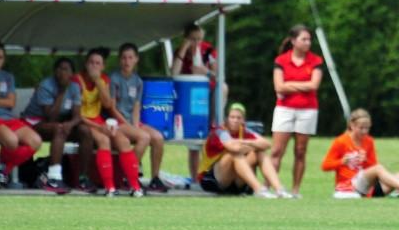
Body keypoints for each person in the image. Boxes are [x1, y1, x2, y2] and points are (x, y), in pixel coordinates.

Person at [72, 48, 145, 197]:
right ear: (86, 64)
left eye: (98, 63)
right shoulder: (76, 80)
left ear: (103, 66)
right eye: (91, 62)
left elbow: (107, 104)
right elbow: (77, 114)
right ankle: (109, 186)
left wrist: (98, 81)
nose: (94, 66)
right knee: (104, 139)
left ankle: (134, 186)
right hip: (82, 120)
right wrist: (100, 127)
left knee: (123, 141)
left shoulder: (104, 79)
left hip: (98, 119)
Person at [22, 57, 95, 193]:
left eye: (66, 69)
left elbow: (77, 115)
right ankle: (54, 178)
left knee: (84, 131)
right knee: (59, 129)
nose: (62, 72)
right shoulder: (46, 86)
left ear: (72, 74)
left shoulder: (74, 87)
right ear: (54, 72)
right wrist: (62, 92)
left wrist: (70, 124)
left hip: (60, 123)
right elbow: (51, 116)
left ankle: (82, 178)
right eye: (59, 69)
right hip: (35, 121)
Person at [321, 108, 399, 200]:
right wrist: (342, 161)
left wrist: (365, 160)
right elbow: (325, 166)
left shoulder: (369, 141)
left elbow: (373, 168)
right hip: (349, 185)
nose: (364, 131)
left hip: (368, 187)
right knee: (379, 168)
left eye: (367, 128)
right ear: (352, 125)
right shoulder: (341, 141)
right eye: (361, 128)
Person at [269, 24, 323, 199]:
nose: (308, 42)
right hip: (284, 109)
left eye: (309, 39)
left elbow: (314, 85)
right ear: (293, 41)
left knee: (300, 151)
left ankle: (295, 190)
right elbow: (278, 86)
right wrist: (301, 86)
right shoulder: (281, 61)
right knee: (277, 151)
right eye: (304, 39)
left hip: (307, 110)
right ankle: (271, 187)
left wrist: (288, 86)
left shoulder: (315, 61)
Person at [196, 102, 291, 198]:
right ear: (227, 119)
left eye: (238, 118)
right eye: (232, 117)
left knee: (260, 153)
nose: (235, 120)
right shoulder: (219, 131)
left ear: (243, 120)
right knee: (234, 154)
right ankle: (259, 189)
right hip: (212, 180)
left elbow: (266, 144)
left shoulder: (244, 131)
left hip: (235, 181)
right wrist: (253, 145)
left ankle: (279, 190)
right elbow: (233, 148)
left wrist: (245, 142)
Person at [0, 41, 43, 190]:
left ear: (4, 59)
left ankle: (3, 168)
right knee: (12, 141)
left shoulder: (9, 77)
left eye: (0, 57)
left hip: (8, 118)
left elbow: (11, 102)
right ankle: (1, 171)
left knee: (36, 141)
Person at [110, 43, 169, 192]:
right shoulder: (114, 79)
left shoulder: (138, 81)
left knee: (158, 137)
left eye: (130, 58)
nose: (127, 61)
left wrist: (135, 127)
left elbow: (136, 106)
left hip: (132, 121)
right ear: (119, 60)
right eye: (124, 58)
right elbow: (111, 108)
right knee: (144, 137)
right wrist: (130, 127)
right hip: (118, 122)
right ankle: (129, 176)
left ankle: (155, 178)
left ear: (136, 59)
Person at [172, 22, 223, 180]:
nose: (197, 43)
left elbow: (218, 75)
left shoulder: (208, 50)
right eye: (193, 39)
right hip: (188, 97)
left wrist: (205, 72)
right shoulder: (181, 51)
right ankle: (195, 178)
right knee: (193, 141)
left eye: (199, 39)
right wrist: (184, 48)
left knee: (224, 88)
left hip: (206, 94)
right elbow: (173, 72)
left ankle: (215, 121)